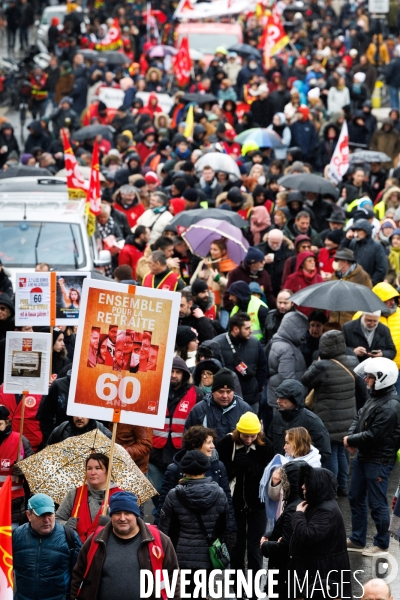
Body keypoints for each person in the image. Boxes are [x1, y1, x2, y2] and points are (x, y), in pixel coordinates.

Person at [70, 491, 180, 599]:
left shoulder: (159, 540)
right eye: (117, 513)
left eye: (127, 513)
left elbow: (173, 577)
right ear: (111, 515)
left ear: (136, 515)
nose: (122, 518)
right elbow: (78, 575)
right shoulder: (96, 540)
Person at [345, 357, 400, 556]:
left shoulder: (391, 405)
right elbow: (359, 417)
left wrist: (351, 441)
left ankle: (382, 543)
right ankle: (358, 539)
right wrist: (351, 437)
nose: (366, 379)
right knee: (355, 496)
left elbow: (375, 435)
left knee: (377, 503)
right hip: (365, 456)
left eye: (370, 376)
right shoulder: (376, 395)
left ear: (382, 378)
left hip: (379, 460)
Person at [217, 413, 273, 599]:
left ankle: (255, 587)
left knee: (255, 547)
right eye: (245, 436)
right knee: (237, 547)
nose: (249, 440)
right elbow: (221, 473)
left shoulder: (266, 446)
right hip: (234, 504)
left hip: (258, 504)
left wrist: (249, 465)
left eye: (253, 436)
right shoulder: (226, 444)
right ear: (238, 432)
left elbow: (267, 474)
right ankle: (239, 588)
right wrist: (235, 465)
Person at [159, 450, 229, 595]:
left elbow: (164, 530)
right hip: (208, 558)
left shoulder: (173, 495)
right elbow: (223, 527)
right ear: (206, 469)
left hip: (178, 558)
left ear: (184, 470)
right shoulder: (220, 494)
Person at [301, 330, 358, 495]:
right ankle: (342, 485)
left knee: (331, 452)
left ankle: (332, 486)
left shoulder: (321, 366)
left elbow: (305, 380)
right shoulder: (353, 361)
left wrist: (316, 362)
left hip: (328, 417)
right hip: (348, 416)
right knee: (342, 450)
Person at [154, 426, 236, 535]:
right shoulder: (175, 469)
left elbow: (227, 500)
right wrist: (159, 531)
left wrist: (230, 529)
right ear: (195, 444)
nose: (213, 446)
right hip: (181, 530)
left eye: (212, 442)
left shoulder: (218, 467)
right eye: (208, 442)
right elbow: (164, 504)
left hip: (211, 529)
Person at [287, 463, 352, 600]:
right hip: (318, 570)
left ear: (317, 485)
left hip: (323, 573)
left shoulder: (326, 510)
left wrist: (298, 514)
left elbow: (307, 536)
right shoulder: (318, 504)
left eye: (306, 483)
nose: (302, 487)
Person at [149, 357, 203, 506]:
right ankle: (159, 515)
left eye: (178, 372)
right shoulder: (154, 389)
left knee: (178, 493)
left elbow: (199, 425)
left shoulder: (196, 394)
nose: (173, 375)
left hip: (181, 453)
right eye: (171, 371)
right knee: (157, 491)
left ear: (184, 374)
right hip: (156, 453)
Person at [13, 493, 81, 600]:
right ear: (28, 515)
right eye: (41, 515)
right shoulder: (16, 536)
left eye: (50, 514)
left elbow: (79, 574)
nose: (46, 520)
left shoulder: (69, 537)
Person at [55, 453, 123, 543]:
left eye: (98, 468)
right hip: (77, 550)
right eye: (89, 468)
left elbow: (130, 526)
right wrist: (65, 525)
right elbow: (56, 520)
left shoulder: (120, 496)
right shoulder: (75, 494)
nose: (92, 472)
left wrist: (112, 524)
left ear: (108, 471)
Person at [260, 462, 303, 599]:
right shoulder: (298, 502)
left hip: (285, 574)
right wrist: (271, 535)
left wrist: (266, 546)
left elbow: (286, 545)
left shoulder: (293, 507)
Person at [268, 379, 331, 465]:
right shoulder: (277, 416)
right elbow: (270, 442)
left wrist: (304, 467)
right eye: (278, 397)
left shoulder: (312, 421)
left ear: (294, 399)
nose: (278, 401)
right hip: (279, 469)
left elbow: (324, 452)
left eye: (282, 398)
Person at [213, 313, 267, 411]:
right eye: (247, 328)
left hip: (250, 400)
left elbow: (262, 366)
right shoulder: (217, 344)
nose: (251, 331)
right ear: (236, 329)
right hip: (225, 400)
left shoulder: (255, 343)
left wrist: (257, 387)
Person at [185, 368, 254, 442]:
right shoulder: (199, 410)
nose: (225, 396)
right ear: (213, 391)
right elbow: (188, 439)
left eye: (228, 392)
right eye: (220, 392)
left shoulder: (245, 410)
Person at [266, 311, 309, 410]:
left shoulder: (280, 342)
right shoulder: (286, 349)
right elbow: (288, 378)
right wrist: (298, 397)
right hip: (287, 401)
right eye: (303, 330)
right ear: (295, 329)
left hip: (280, 397)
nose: (304, 334)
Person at [0, 405, 32, 525]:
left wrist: (24, 470)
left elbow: (33, 472)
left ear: (8, 423)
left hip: (13, 505)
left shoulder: (20, 441)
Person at [223, 247, 276, 313]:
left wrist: (277, 304)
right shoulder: (236, 274)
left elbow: (268, 295)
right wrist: (235, 312)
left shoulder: (265, 275)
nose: (264, 262)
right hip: (239, 314)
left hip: (259, 313)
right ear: (252, 264)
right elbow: (228, 296)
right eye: (261, 261)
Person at [329, 247, 372, 324]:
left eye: (336, 260)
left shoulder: (362, 276)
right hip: (334, 322)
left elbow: (368, 298)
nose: (334, 262)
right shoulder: (334, 275)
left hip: (351, 321)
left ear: (345, 262)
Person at [344, 219, 388, 285]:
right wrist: (346, 240)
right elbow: (344, 259)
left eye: (359, 230)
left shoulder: (377, 246)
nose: (356, 233)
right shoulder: (353, 243)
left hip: (370, 286)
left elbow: (381, 269)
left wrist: (370, 283)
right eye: (355, 230)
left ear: (366, 231)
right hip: (352, 284)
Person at [47, 416, 112, 445]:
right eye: (76, 413)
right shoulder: (60, 431)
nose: (79, 418)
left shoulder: (104, 433)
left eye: (83, 414)